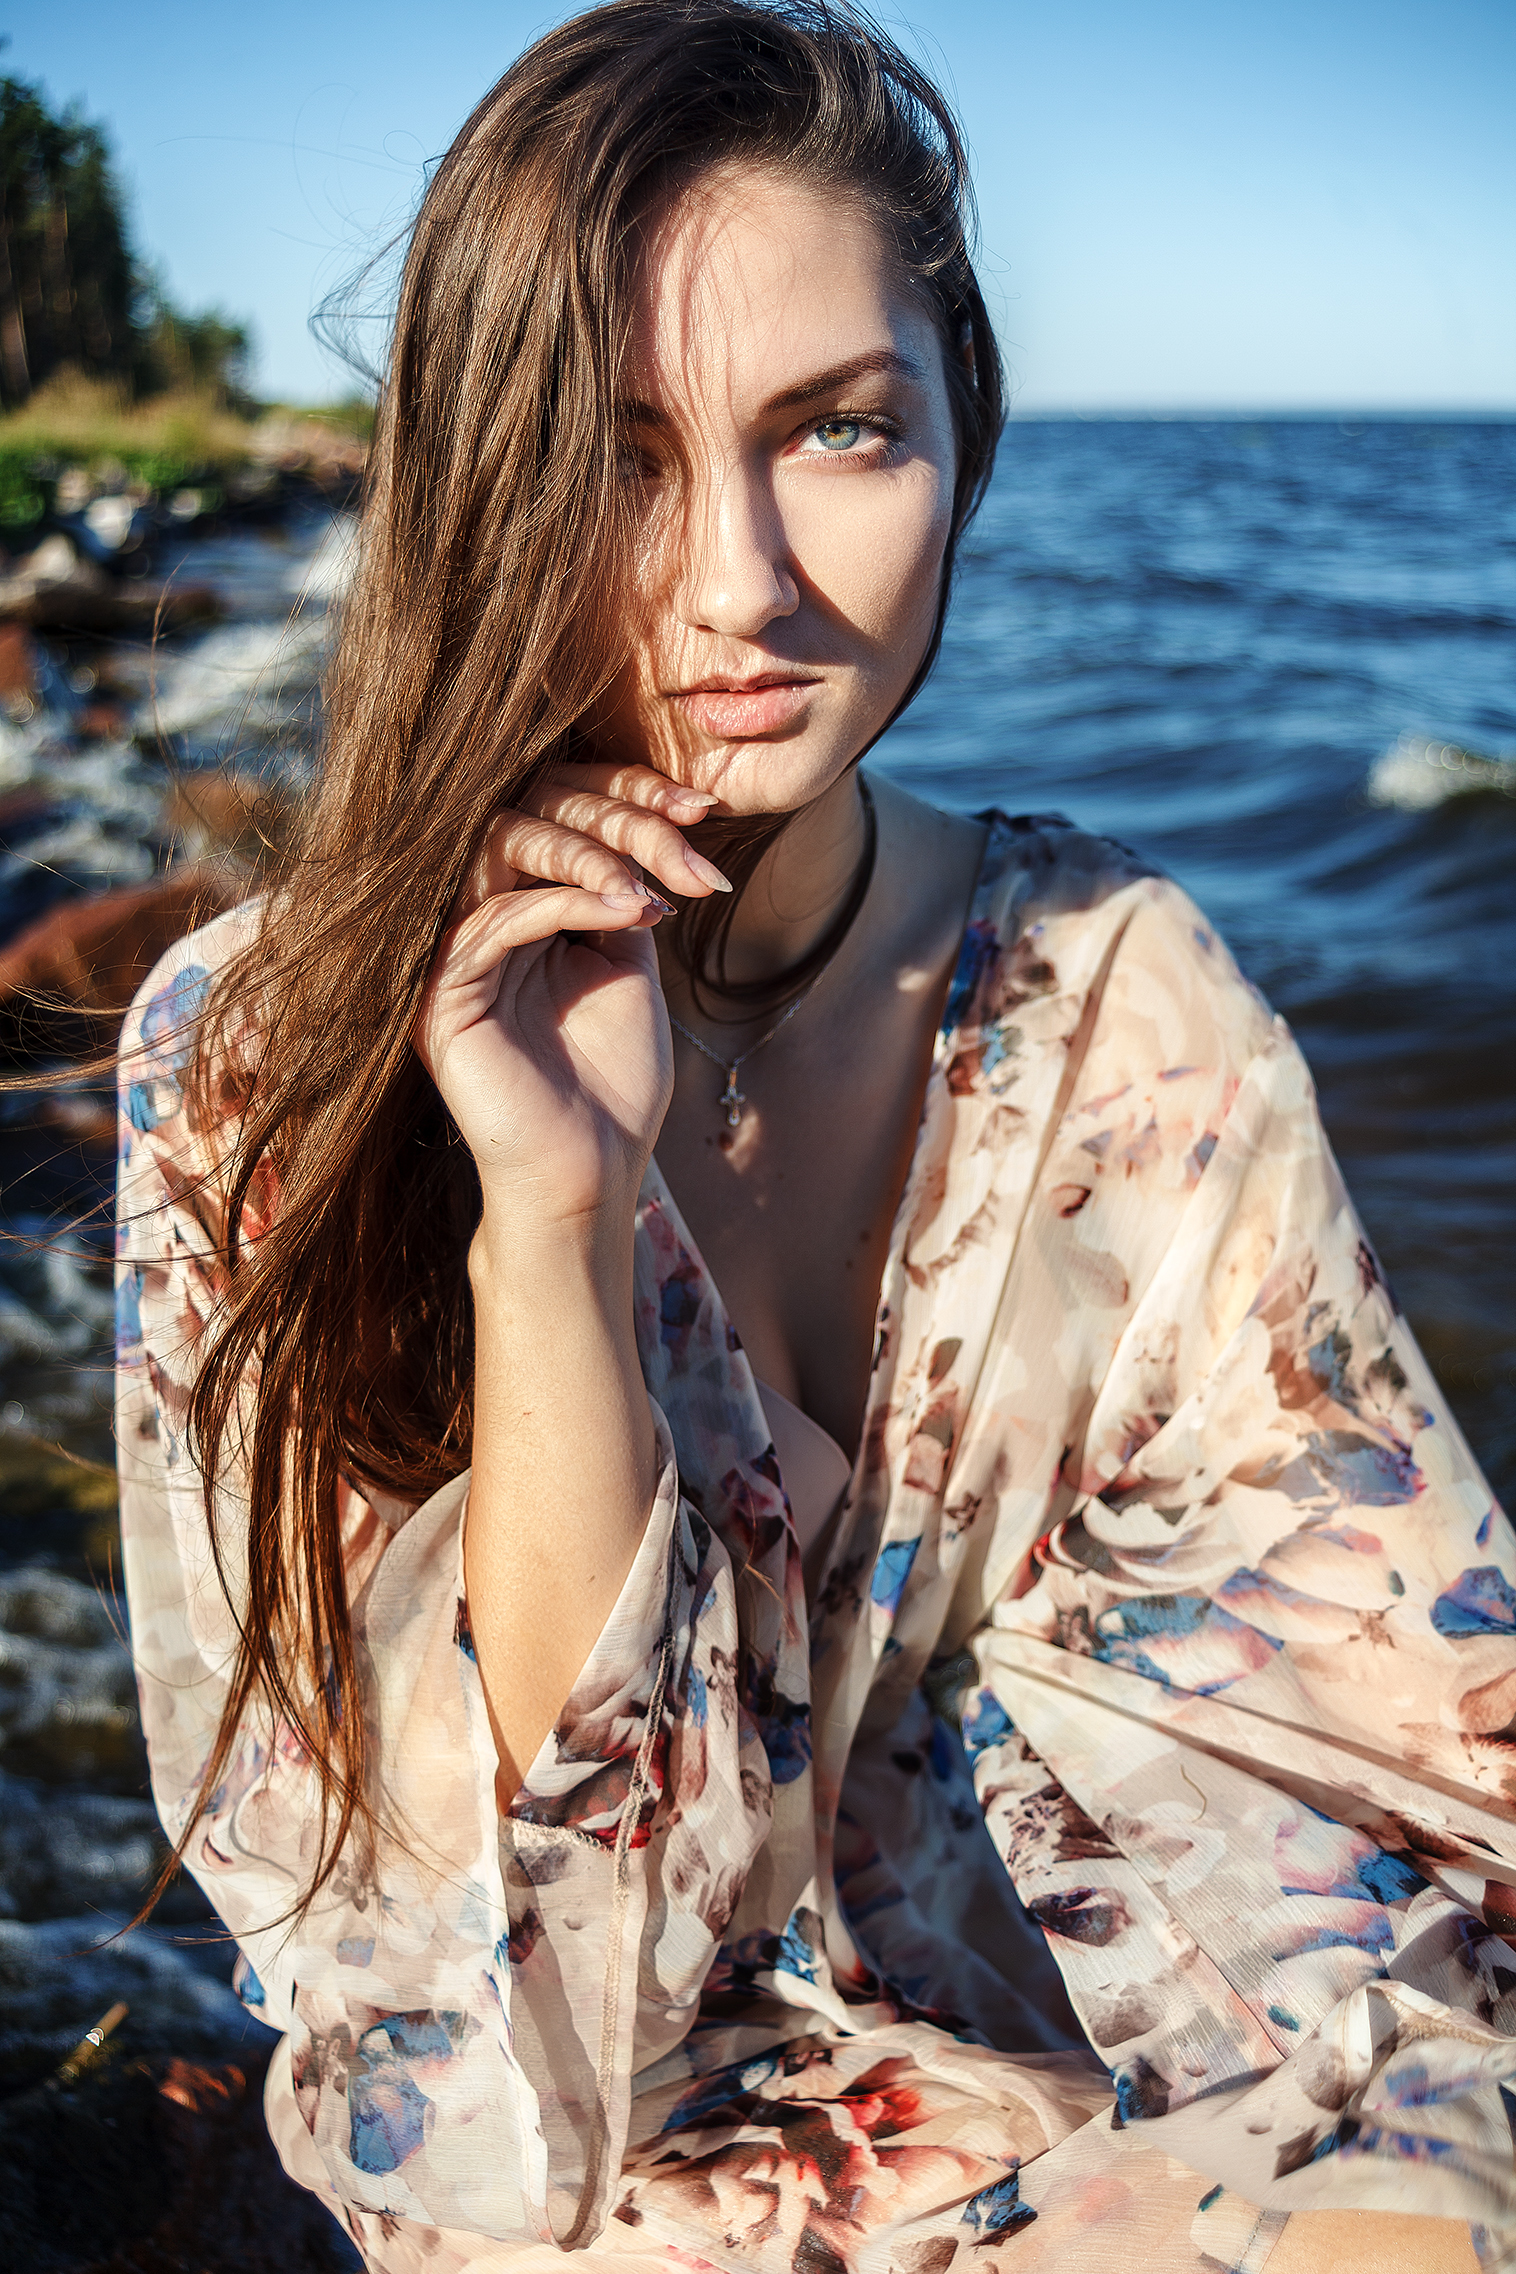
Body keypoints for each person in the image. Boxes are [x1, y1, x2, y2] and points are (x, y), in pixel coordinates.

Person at [115, 5, 1511, 2269]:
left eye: (837, 430)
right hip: (593, 2128)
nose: (738, 579)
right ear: (477, 477)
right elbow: (517, 1984)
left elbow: (1389, 1761)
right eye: (623, 450)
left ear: (962, 430)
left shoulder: (1115, 992)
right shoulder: (261, 1046)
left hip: (1110, 2038)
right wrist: (548, 1222)